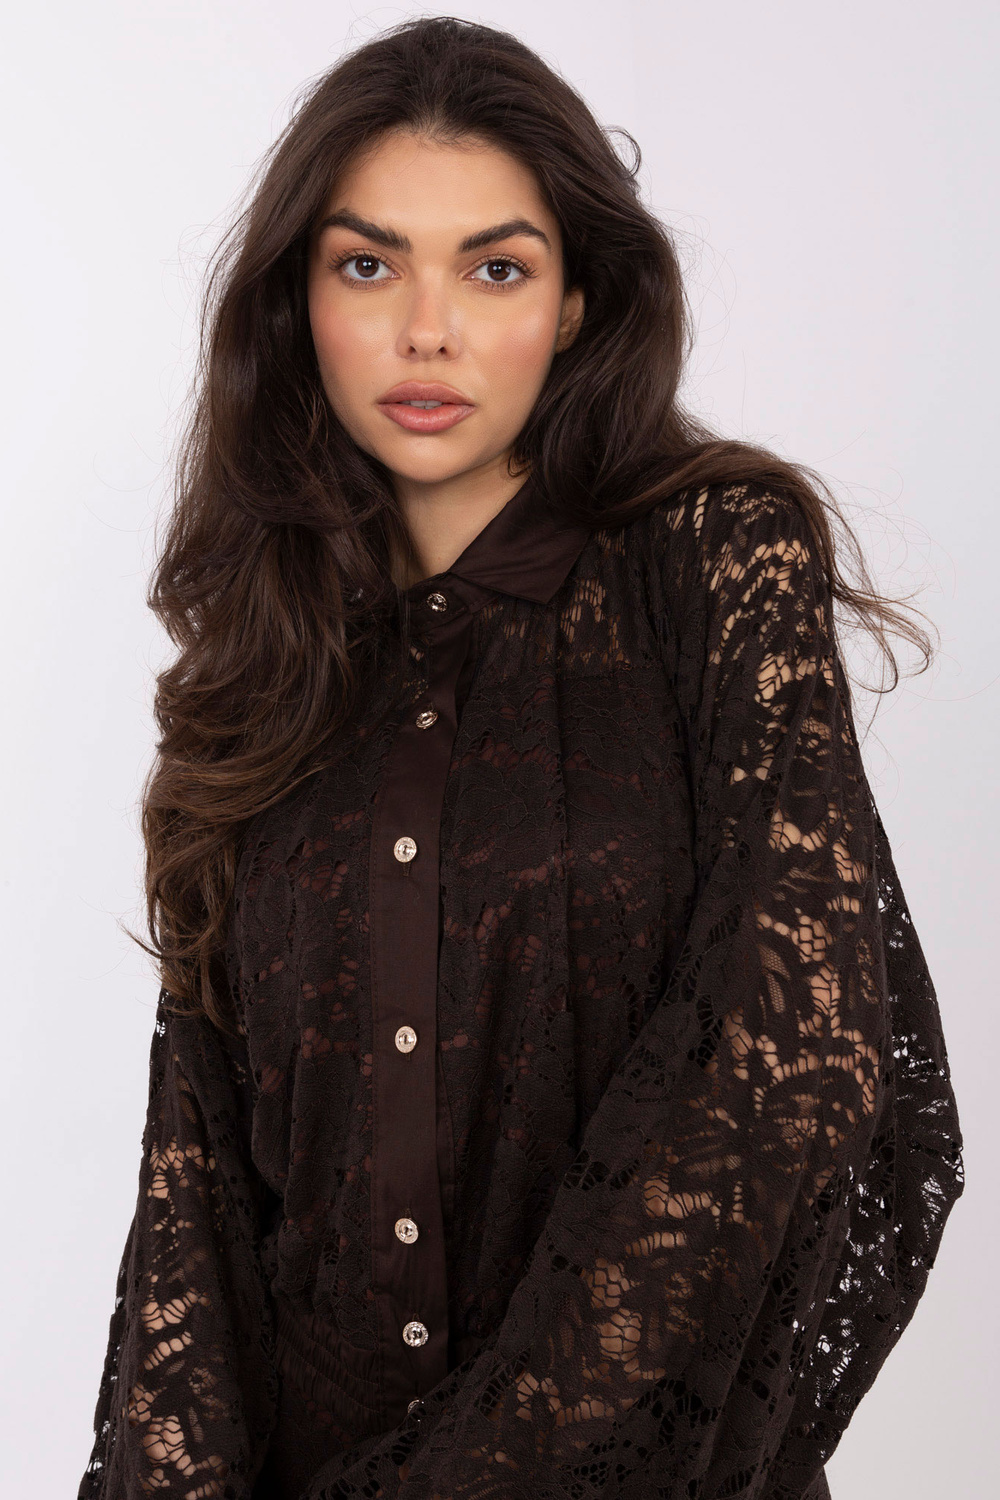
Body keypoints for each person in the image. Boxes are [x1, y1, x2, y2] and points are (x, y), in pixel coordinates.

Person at [77, 16, 964, 1500]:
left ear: (575, 303)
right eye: (369, 266)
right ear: (299, 302)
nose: (429, 330)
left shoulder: (717, 562)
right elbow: (200, 1180)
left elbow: (796, 1052)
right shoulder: (262, 665)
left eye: (495, 269)